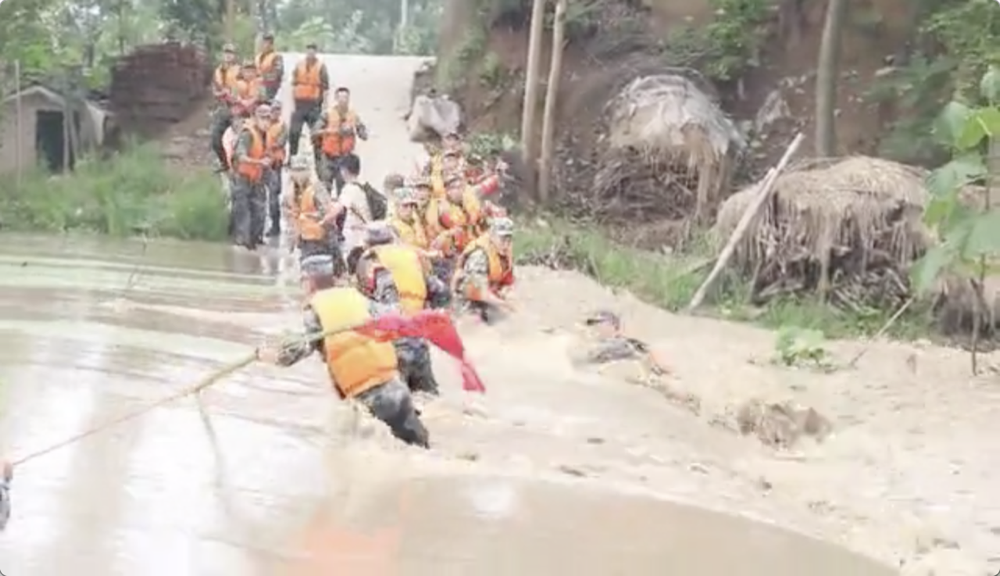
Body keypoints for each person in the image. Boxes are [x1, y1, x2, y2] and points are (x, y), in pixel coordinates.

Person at [255, 254, 430, 448]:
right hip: (395, 387)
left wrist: (267, 356)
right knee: (421, 448)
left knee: (357, 453)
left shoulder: (315, 308)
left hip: (367, 399)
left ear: (309, 282)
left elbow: (300, 349)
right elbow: (393, 318)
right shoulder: (356, 296)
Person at [354, 222, 450, 395]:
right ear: (391, 239)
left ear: (367, 244)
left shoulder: (371, 261)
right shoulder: (410, 256)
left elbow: (387, 302)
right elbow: (440, 290)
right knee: (430, 400)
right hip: (419, 340)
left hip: (393, 344)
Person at [285, 155, 345, 276]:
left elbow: (329, 214)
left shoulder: (317, 189)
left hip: (322, 240)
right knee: (308, 275)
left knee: (327, 275)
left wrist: (321, 222)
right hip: (305, 241)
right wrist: (292, 241)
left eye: (302, 170)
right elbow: (292, 218)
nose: (299, 174)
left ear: (308, 171)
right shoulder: (291, 193)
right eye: (296, 170)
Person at [573, 310, 671, 381]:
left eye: (596, 323)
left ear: (614, 327)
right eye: (591, 324)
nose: (593, 327)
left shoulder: (625, 343)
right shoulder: (595, 343)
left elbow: (647, 356)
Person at [452, 216, 516, 323]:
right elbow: (481, 293)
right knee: (475, 323)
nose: (506, 244)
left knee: (509, 318)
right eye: (502, 239)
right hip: (467, 300)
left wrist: (508, 293)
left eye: (509, 239)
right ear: (492, 236)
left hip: (490, 297)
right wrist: (505, 304)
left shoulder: (504, 252)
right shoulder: (479, 256)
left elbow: (508, 281)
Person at [230, 104, 272, 250]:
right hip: (242, 179)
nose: (266, 122)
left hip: (256, 179)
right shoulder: (248, 134)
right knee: (242, 213)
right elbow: (241, 156)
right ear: (255, 118)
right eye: (263, 118)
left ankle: (254, 242)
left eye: (268, 119)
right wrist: (259, 162)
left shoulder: (264, 135)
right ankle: (242, 243)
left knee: (259, 213)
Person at [314, 86, 368, 193]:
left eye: (345, 98)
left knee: (343, 189)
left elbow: (364, 135)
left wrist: (356, 129)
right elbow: (315, 131)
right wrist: (331, 131)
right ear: (336, 99)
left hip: (345, 158)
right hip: (328, 157)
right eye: (340, 98)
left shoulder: (353, 115)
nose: (343, 100)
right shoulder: (327, 114)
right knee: (325, 187)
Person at [289, 42, 329, 159]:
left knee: (316, 133)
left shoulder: (321, 67)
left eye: (313, 50)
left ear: (316, 52)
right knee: (294, 132)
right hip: (299, 104)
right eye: (308, 50)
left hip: (314, 104)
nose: (310, 52)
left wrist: (324, 106)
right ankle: (292, 156)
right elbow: (293, 84)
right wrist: (292, 103)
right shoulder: (299, 65)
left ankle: (319, 157)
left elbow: (325, 87)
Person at [337, 153, 373, 265]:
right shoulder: (363, 187)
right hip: (366, 234)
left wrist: (323, 221)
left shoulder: (349, 189)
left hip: (355, 238)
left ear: (344, 171)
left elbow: (338, 210)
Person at [210, 43, 241, 171]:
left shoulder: (240, 70)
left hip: (238, 108)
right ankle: (224, 163)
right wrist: (221, 93)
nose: (228, 55)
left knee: (239, 139)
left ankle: (240, 166)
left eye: (230, 53)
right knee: (215, 138)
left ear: (234, 55)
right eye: (226, 53)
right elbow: (214, 90)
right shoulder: (218, 71)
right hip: (223, 107)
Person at [265, 101, 288, 238]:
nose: (276, 112)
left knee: (273, 197)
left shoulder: (282, 126)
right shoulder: (261, 125)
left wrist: (268, 146)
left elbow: (280, 142)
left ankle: (275, 226)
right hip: (261, 164)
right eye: (273, 110)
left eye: (278, 110)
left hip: (275, 165)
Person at [255, 32, 284, 102]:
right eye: (264, 43)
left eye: (268, 43)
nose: (265, 45)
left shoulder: (276, 57)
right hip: (257, 87)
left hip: (270, 88)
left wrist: (263, 78)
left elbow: (278, 73)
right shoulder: (258, 57)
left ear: (272, 45)